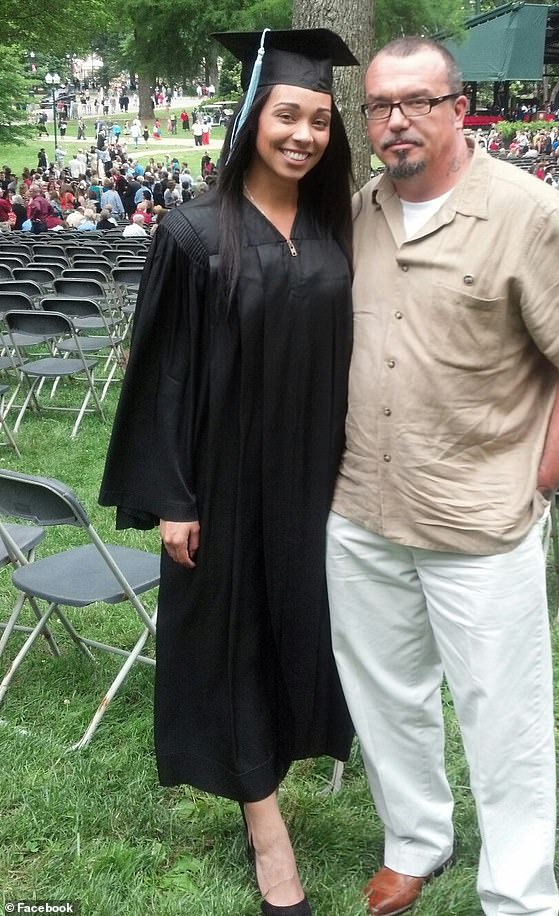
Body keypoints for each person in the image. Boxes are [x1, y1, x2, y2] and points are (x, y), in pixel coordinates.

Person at [325, 37, 559, 916]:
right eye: (381, 106)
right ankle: (415, 839)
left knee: (505, 722)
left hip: (480, 516)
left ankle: (518, 893)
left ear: (459, 107)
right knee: (385, 697)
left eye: (418, 101)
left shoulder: (529, 213)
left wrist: (548, 468)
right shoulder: (360, 213)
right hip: (363, 507)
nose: (397, 121)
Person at [99, 28, 358, 916]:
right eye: (288, 113)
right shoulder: (192, 232)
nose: (304, 134)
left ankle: (286, 766)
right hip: (220, 481)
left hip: (312, 483)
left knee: (297, 629)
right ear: (254, 115)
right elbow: (162, 367)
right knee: (232, 640)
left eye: (320, 120)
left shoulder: (331, 229)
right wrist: (172, 495)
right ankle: (266, 828)